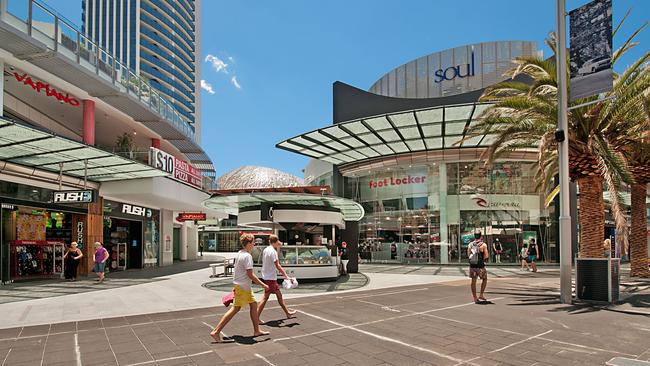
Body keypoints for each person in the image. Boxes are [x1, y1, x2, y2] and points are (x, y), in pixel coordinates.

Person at [210, 233, 269, 343]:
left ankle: (257, 330)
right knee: (235, 309)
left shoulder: (240, 253)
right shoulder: (247, 256)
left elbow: (238, 271)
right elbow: (250, 275)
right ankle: (216, 331)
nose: (254, 245)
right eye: (253, 243)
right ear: (249, 244)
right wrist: (263, 284)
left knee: (253, 305)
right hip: (243, 287)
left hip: (242, 286)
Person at [257, 235, 297, 324]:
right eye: (278, 240)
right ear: (276, 241)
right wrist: (286, 276)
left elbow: (275, 260)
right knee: (267, 298)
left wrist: (278, 248)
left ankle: (287, 313)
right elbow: (278, 265)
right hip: (271, 278)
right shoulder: (272, 251)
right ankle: (256, 317)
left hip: (267, 276)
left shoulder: (266, 250)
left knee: (277, 296)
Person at [467, 230, 489, 304]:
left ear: (474, 236)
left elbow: (468, 254)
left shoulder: (470, 244)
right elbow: (486, 256)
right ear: (481, 235)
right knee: (485, 279)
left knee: (473, 281)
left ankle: (475, 297)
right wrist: (485, 260)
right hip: (480, 266)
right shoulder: (483, 245)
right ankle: (481, 294)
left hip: (472, 265)